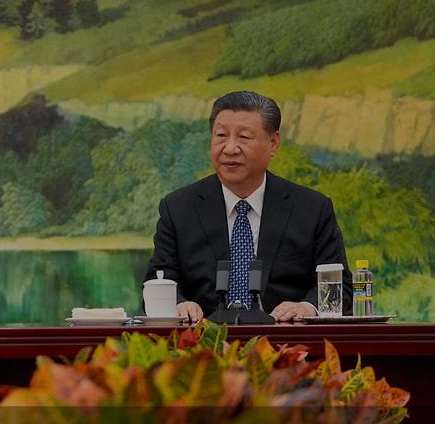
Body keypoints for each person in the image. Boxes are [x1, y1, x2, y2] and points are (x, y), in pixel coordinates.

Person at [144, 91, 352, 323]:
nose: (230, 148)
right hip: (204, 340)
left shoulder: (311, 209)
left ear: (273, 143)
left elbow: (341, 286)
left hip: (284, 339)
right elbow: (156, 280)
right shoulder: (178, 208)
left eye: (243, 137)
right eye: (221, 136)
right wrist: (178, 303)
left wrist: (307, 307)